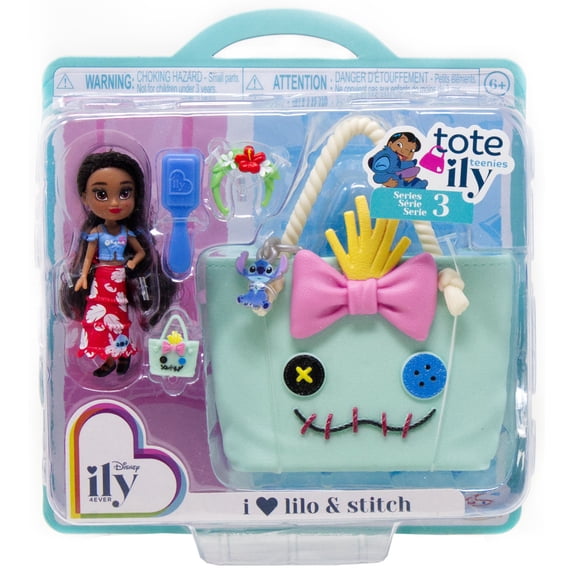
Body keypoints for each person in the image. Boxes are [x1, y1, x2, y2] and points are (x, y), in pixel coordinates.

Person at [62, 150, 176, 377]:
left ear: (136, 196)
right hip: (101, 279)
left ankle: (123, 354)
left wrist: (133, 263)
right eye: (101, 194)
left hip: (118, 278)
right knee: (101, 321)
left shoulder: (126, 232)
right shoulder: (96, 232)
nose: (114, 202)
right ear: (84, 197)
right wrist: (83, 276)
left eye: (124, 193)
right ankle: (108, 359)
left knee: (119, 319)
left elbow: (140, 252)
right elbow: (88, 257)